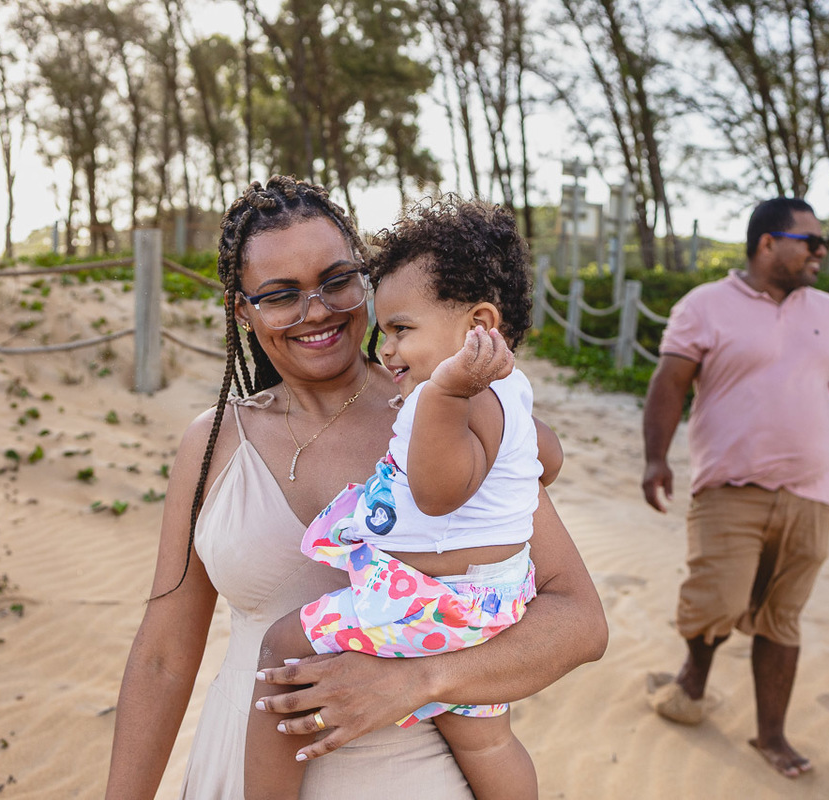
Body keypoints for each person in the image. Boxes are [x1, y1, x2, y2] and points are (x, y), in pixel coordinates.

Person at [104, 176, 607, 799]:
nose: (316, 310)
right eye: (282, 294)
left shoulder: (449, 416)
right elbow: (162, 657)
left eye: (337, 281)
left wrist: (418, 681)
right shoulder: (211, 443)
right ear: (242, 308)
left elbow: (580, 623)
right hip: (237, 772)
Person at [245, 198, 546, 800]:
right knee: (487, 741)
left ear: (479, 326)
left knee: (282, 647)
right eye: (386, 331)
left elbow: (435, 494)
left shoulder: (447, 400)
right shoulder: (513, 394)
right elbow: (548, 458)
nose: (387, 350)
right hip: (494, 602)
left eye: (403, 331)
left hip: (435, 605)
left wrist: (443, 396)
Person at [641, 197, 829, 779]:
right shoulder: (704, 306)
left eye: (823, 242)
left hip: (811, 494)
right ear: (767, 243)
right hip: (728, 487)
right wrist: (656, 458)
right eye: (810, 241)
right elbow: (670, 382)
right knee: (719, 601)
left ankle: (772, 734)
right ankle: (693, 680)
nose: (820, 251)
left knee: (783, 617)